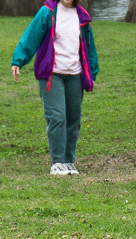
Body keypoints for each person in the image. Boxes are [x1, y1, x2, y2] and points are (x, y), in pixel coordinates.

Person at [11, 0, 99, 176]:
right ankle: (57, 162)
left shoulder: (82, 16)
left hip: (75, 75)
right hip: (52, 74)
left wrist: (92, 74)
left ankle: (68, 162)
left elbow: (89, 47)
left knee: (73, 119)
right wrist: (18, 60)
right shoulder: (48, 12)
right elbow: (31, 36)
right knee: (57, 116)